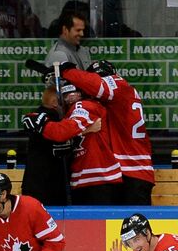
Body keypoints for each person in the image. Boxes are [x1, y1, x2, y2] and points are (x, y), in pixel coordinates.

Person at [60, 60, 153, 205]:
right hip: (132, 168)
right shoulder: (123, 92)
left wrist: (67, 71)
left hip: (131, 169)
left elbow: (96, 85)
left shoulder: (116, 83)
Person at [36, 74, 119, 205]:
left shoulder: (83, 105)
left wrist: (41, 125)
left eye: (74, 93)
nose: (70, 98)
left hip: (97, 176)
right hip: (86, 177)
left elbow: (63, 132)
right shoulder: (69, 112)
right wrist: (86, 130)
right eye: (66, 95)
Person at [18, 86, 70, 207]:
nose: (67, 104)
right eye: (65, 100)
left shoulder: (41, 115)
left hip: (36, 182)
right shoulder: (49, 118)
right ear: (54, 102)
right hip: (46, 183)